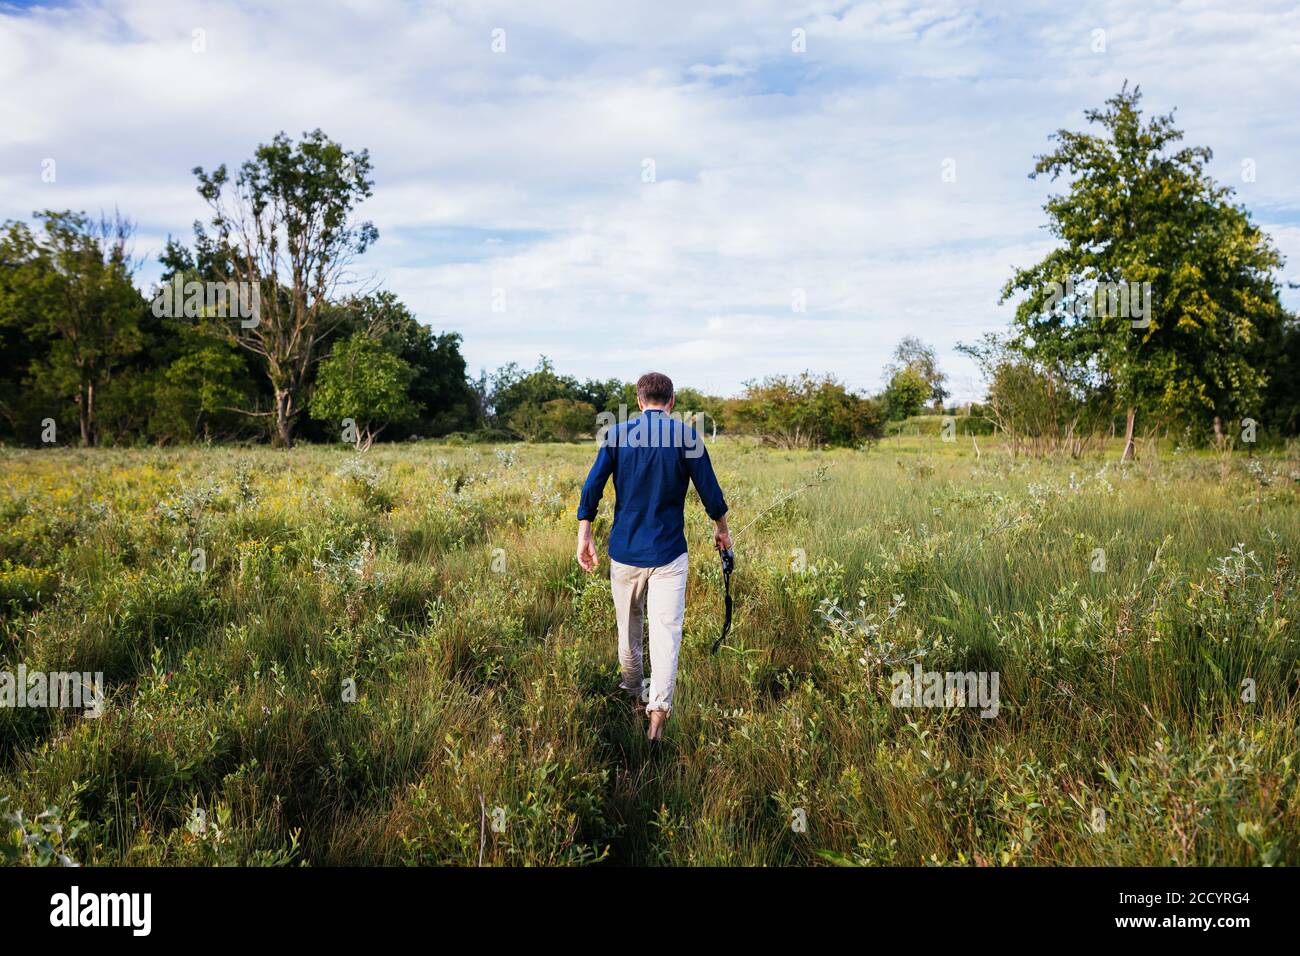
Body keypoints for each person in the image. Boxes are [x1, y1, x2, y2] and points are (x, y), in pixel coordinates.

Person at [575, 371, 730, 741]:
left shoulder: (616, 435)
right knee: (665, 634)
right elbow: (711, 493)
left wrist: (585, 533)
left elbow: (592, 486)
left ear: (640, 401)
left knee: (628, 631)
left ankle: (631, 695)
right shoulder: (688, 436)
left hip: (625, 552)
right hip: (669, 554)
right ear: (672, 402)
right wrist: (721, 529)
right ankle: (658, 711)